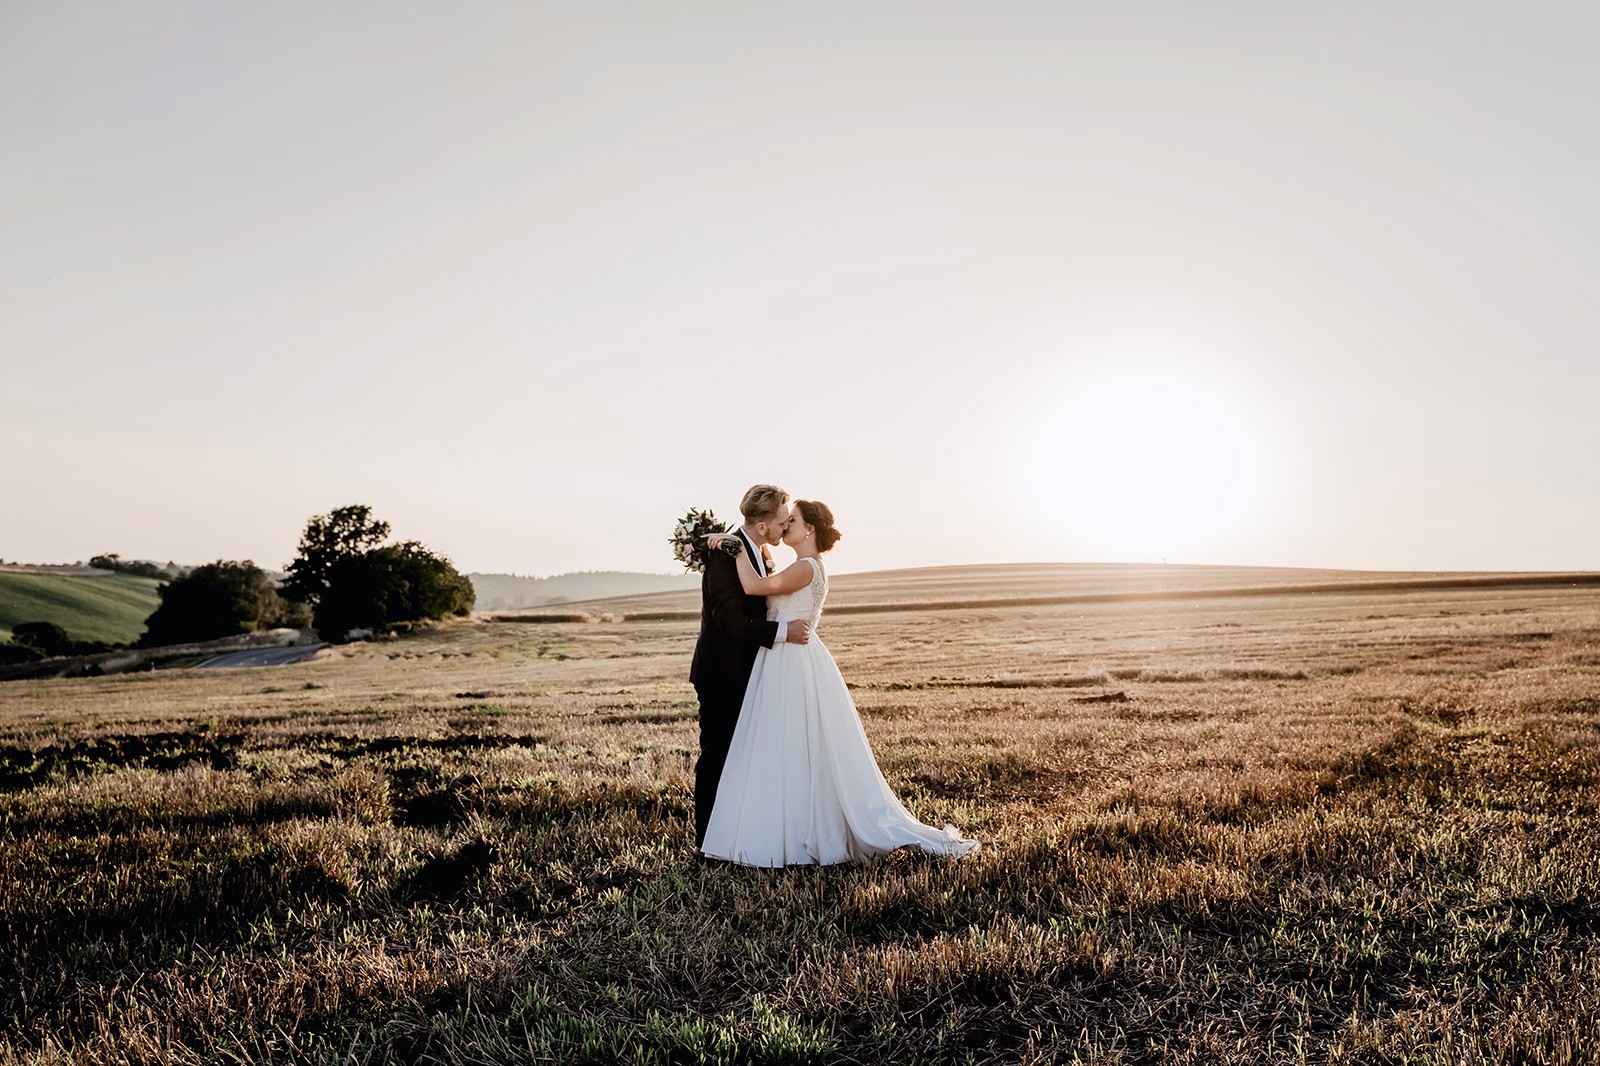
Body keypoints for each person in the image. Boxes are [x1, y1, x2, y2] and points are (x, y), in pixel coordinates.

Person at [699, 499, 979, 866]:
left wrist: (735, 548)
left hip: (791, 661)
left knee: (791, 743)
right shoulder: (802, 566)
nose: (786, 525)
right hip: (784, 658)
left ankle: (791, 832)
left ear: (809, 530)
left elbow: (753, 588)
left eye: (792, 520)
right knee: (788, 745)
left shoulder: (805, 568)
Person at [688, 484, 810, 853]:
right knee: (718, 755)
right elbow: (728, 621)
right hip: (722, 674)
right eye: (782, 520)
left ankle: (737, 835)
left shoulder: (755, 551)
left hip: (750, 672)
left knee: (744, 756)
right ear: (761, 527)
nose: (785, 525)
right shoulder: (726, 555)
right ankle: (707, 844)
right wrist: (783, 632)